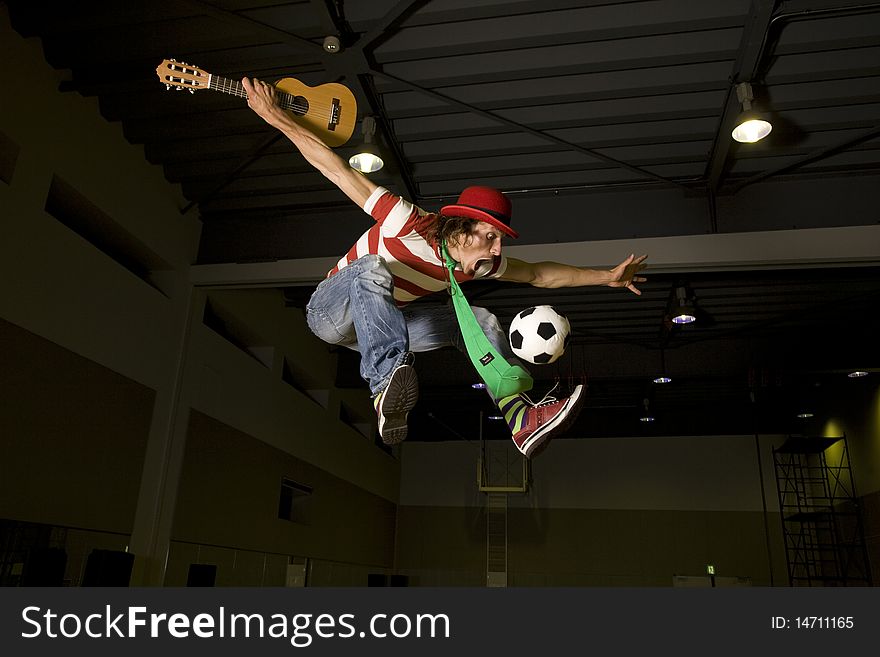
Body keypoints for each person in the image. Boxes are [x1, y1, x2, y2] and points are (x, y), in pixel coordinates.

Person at [243, 77, 647, 458]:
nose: (496, 248)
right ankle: (385, 383)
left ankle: (520, 417)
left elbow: (540, 274)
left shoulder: (477, 264)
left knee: (481, 320)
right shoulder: (410, 222)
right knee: (372, 268)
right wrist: (275, 116)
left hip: (378, 325)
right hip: (330, 311)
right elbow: (336, 169)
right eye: (490, 236)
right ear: (461, 228)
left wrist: (606, 277)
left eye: (500, 240)